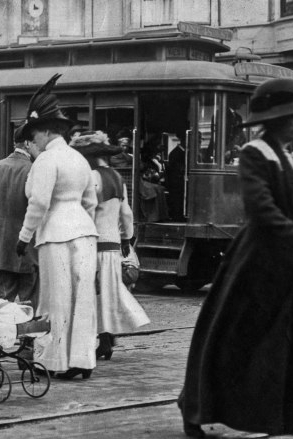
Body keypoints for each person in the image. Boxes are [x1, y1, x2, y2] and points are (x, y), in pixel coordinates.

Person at [178, 78, 293, 439]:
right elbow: (261, 210)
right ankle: (194, 410)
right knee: (231, 340)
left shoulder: (291, 158)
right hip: (257, 264)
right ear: (273, 121)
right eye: (292, 118)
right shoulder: (254, 154)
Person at [16, 74, 99, 380]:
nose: (32, 140)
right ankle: (83, 359)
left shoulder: (47, 160)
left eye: (34, 134)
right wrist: (81, 220)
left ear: (47, 131)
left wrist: (24, 237)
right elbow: (91, 200)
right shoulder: (80, 159)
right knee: (83, 296)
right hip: (85, 231)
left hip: (55, 235)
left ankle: (57, 360)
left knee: (57, 298)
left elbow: (38, 203)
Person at [71, 132, 150, 361]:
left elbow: (86, 211)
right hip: (113, 243)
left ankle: (102, 339)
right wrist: (127, 239)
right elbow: (126, 213)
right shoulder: (117, 177)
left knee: (92, 292)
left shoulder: (91, 177)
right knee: (107, 292)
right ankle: (106, 337)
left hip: (94, 243)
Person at [0, 127, 39, 308]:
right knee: (30, 303)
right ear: (28, 143)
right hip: (29, 248)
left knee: (3, 303)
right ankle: (28, 336)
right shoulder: (35, 170)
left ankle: (4, 336)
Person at [165, 135, 187, 222]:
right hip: (176, 182)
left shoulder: (181, 152)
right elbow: (177, 169)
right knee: (177, 201)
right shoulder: (176, 153)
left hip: (179, 181)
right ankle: (177, 218)